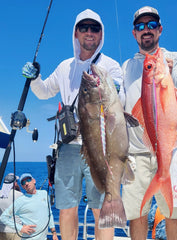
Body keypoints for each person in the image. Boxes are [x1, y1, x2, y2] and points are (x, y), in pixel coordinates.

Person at [21, 9, 123, 240]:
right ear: (76, 33)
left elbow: (121, 96)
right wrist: (35, 78)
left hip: (101, 144)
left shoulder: (111, 65)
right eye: (84, 28)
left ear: (101, 34)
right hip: (68, 146)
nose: (89, 33)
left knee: (101, 206)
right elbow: (45, 91)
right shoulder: (65, 66)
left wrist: (115, 90)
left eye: (94, 28)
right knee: (67, 208)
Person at [122, 6, 177, 240]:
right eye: (140, 26)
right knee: (137, 215)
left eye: (151, 25)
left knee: (175, 213)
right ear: (134, 33)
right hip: (136, 153)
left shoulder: (175, 59)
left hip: (169, 151)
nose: (146, 30)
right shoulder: (126, 67)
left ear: (160, 30)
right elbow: (125, 108)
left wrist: (169, 75)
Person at [0, 173, 58, 240]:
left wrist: (54, 233)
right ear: (22, 186)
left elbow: (49, 214)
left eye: (28, 180)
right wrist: (20, 228)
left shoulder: (44, 194)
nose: (26, 183)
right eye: (23, 182)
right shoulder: (20, 199)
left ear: (34, 181)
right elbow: (3, 217)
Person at [0, 173, 23, 240]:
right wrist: (18, 188)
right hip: (15, 231)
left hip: (1, 230)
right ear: (14, 183)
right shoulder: (19, 195)